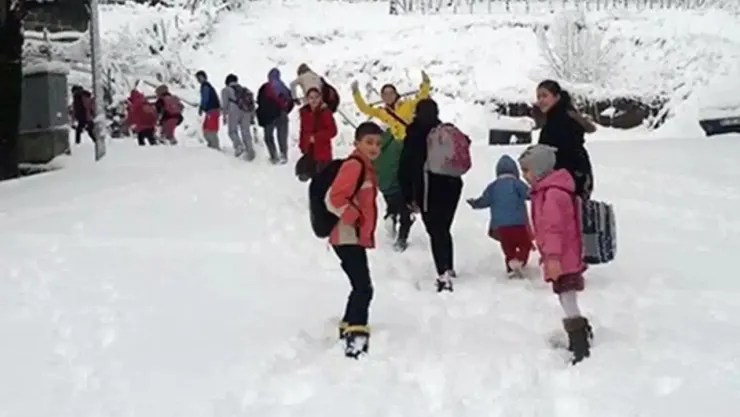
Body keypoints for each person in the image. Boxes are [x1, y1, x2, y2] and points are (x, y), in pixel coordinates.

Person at [518, 144, 592, 365]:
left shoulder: (553, 195)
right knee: (565, 294)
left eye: (527, 170)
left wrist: (552, 258)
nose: (524, 176)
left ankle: (580, 343)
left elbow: (553, 228)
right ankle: (582, 332)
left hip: (562, 256)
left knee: (566, 295)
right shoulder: (549, 191)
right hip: (564, 253)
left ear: (539, 169)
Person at [325, 121, 382, 358]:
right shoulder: (354, 166)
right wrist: (354, 218)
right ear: (357, 143)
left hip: (353, 235)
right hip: (347, 235)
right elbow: (334, 198)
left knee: (360, 286)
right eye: (369, 142)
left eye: (377, 144)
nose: (374, 147)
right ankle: (356, 338)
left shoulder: (365, 167)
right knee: (363, 288)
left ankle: (348, 326)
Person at [398, 98, 463, 292]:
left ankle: (443, 275)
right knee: (444, 228)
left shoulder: (415, 134)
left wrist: (408, 196)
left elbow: (405, 167)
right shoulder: (444, 132)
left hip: (427, 186)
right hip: (453, 184)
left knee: (435, 230)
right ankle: (449, 266)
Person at [466, 154, 534, 278]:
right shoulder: (517, 184)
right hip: (518, 223)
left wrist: (475, 203)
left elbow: (484, 200)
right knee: (525, 244)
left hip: (501, 226)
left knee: (508, 247)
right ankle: (520, 260)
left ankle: (511, 267)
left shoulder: (493, 186)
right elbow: (529, 194)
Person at [535, 80, 596, 199]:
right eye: (538, 97)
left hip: (570, 179)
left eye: (545, 95)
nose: (540, 100)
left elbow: (565, 152)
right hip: (566, 179)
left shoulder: (562, 120)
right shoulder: (554, 119)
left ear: (557, 97)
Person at [350, 71, 430, 142]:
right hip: (398, 145)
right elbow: (364, 108)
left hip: (413, 140)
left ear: (396, 94)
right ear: (382, 97)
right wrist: (356, 93)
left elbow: (421, 98)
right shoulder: (381, 112)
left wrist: (426, 83)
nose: (389, 96)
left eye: (391, 93)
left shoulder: (407, 104)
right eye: (385, 94)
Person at [373, 128, 412, 251]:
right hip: (398, 184)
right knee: (405, 212)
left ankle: (391, 216)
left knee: (392, 202)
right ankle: (401, 240)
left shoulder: (376, 143)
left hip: (383, 183)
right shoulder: (398, 142)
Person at [256, 68, 294, 164]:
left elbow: (259, 102)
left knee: (268, 137)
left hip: (268, 116)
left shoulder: (264, 87)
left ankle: (274, 156)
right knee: (282, 136)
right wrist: (285, 111)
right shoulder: (283, 87)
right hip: (282, 114)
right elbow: (291, 101)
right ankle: (283, 155)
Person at [298, 87, 337, 175]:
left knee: (324, 178)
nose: (314, 100)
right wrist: (302, 145)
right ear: (307, 99)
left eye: (316, 97)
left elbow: (333, 131)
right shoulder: (304, 112)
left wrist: (316, 138)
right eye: (311, 98)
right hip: (309, 151)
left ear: (320, 98)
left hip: (323, 152)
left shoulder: (325, 112)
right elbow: (303, 130)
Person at [221, 73, 256, 160]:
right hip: (246, 111)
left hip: (234, 110)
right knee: (246, 132)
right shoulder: (245, 90)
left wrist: (224, 116)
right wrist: (252, 116)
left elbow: (225, 104)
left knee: (232, 131)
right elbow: (251, 104)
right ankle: (250, 152)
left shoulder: (226, 90)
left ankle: (238, 146)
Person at [195, 70, 222, 150]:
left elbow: (205, 98)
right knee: (207, 129)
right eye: (197, 78)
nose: (199, 80)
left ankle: (215, 148)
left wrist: (202, 107)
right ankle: (212, 146)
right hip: (212, 111)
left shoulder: (205, 86)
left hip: (212, 110)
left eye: (200, 77)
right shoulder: (208, 86)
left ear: (204, 77)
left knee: (210, 130)